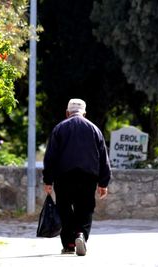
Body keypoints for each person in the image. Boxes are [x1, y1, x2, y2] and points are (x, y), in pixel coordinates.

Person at [42, 98, 111, 256]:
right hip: (88, 176)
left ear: (67, 113)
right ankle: (81, 235)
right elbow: (103, 157)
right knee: (85, 208)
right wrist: (103, 182)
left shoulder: (59, 128)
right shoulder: (94, 129)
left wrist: (48, 180)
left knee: (64, 208)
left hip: (64, 176)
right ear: (84, 113)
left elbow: (50, 157)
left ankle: (69, 244)